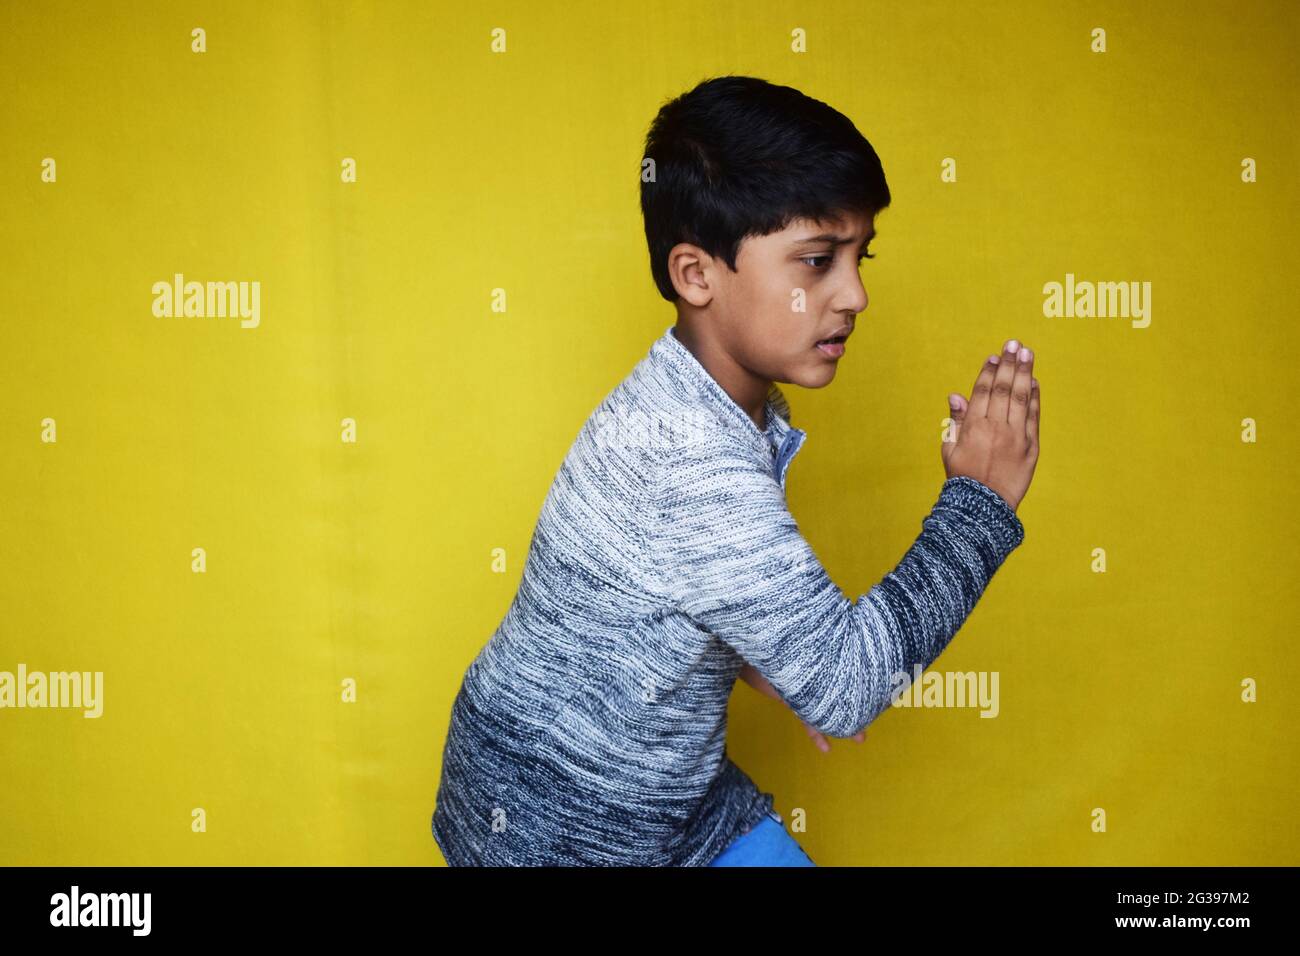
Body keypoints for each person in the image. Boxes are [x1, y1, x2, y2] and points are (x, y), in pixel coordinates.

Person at [431, 74, 1040, 866]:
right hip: (555, 832)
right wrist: (980, 501)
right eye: (817, 260)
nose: (854, 294)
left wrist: (765, 651)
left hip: (663, 789)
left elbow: (663, 583)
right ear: (696, 275)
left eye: (861, 256)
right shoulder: (691, 454)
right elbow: (847, 688)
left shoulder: (705, 399)